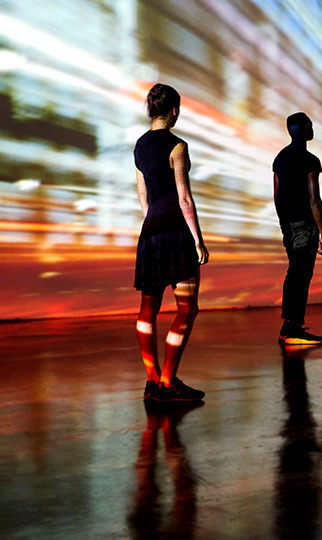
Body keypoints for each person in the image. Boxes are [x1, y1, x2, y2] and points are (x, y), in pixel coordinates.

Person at [134, 83, 209, 402]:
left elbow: (143, 196)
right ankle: (168, 380)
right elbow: (184, 199)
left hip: (151, 232)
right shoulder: (177, 147)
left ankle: (152, 382)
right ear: (174, 110)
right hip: (176, 234)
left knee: (147, 310)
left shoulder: (140, 145)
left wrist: (152, 224)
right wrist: (198, 241)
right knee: (187, 309)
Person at [273, 112, 322, 344]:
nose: (312, 129)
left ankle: (290, 324)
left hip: (288, 224)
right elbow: (314, 199)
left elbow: (277, 195)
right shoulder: (310, 160)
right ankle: (294, 329)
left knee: (294, 273)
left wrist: (284, 222)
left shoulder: (280, 158)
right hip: (305, 224)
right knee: (302, 275)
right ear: (305, 130)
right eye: (310, 126)